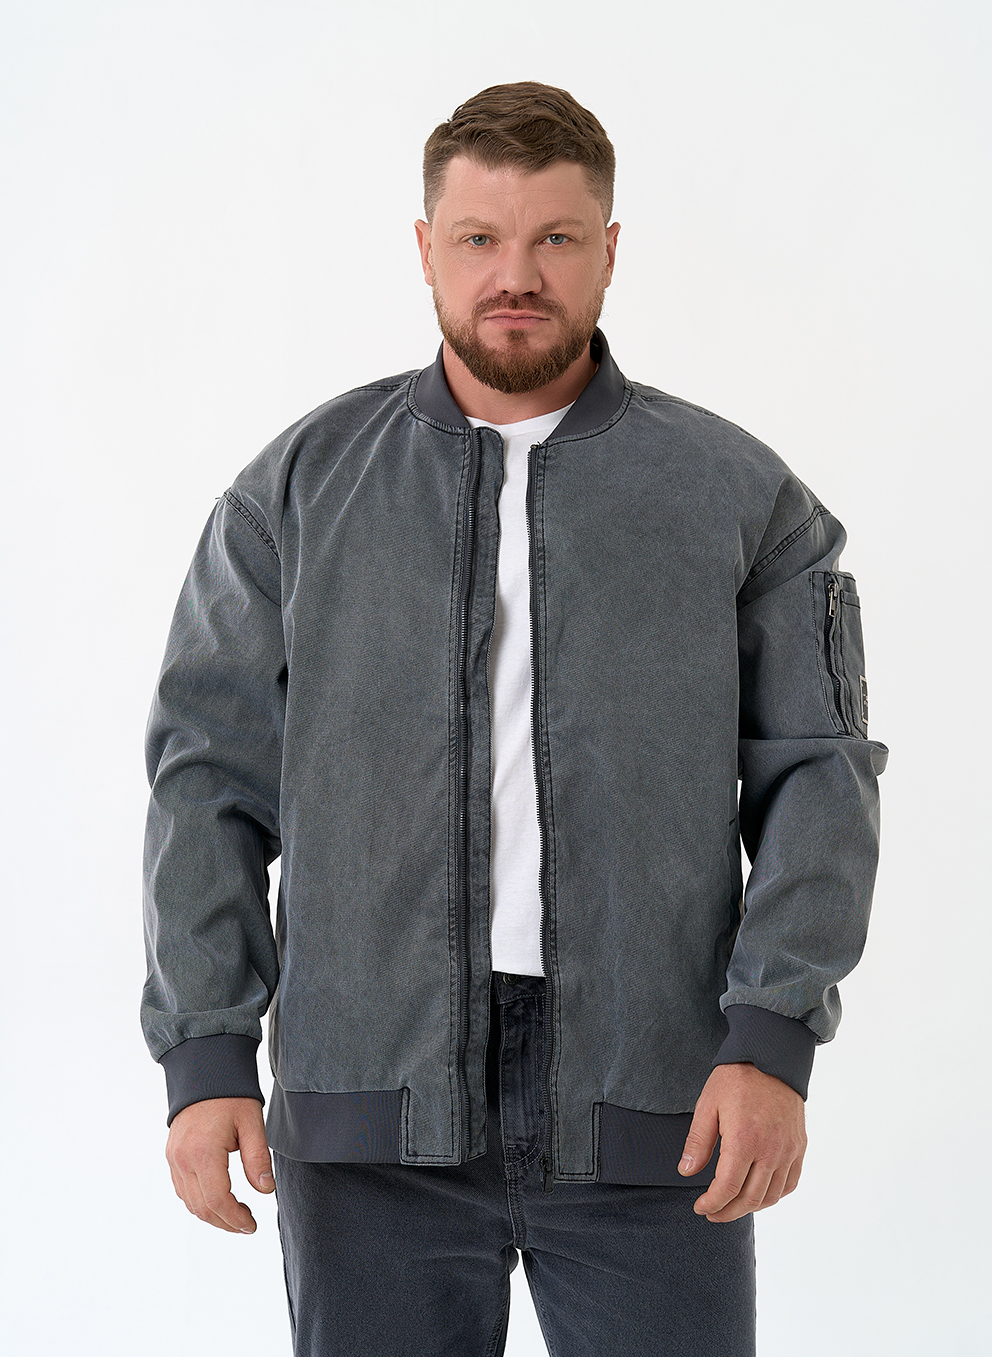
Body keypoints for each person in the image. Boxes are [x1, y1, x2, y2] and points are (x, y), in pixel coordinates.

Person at [141, 81, 889, 1357]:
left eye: (554, 237)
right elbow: (205, 780)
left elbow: (820, 779)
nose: (515, 276)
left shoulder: (739, 497)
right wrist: (205, 1053)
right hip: (367, 1106)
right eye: (479, 238)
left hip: (662, 1102)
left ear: (608, 250)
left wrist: (771, 1037)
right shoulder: (295, 493)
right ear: (424, 248)